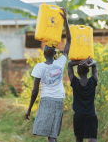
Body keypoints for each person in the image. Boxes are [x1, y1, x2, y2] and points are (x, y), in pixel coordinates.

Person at [25, 8, 71, 142]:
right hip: (59, 99)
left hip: (46, 100)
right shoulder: (61, 62)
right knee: (53, 133)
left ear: (44, 53)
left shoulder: (39, 67)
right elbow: (68, 41)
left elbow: (35, 91)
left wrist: (29, 109)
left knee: (48, 133)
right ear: (55, 54)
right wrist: (66, 20)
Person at [68, 57, 98, 142]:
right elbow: (95, 63)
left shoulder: (75, 82)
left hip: (78, 117)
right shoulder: (93, 81)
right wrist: (88, 63)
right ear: (88, 71)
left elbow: (69, 64)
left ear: (77, 72)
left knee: (79, 139)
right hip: (91, 116)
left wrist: (80, 62)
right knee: (92, 138)